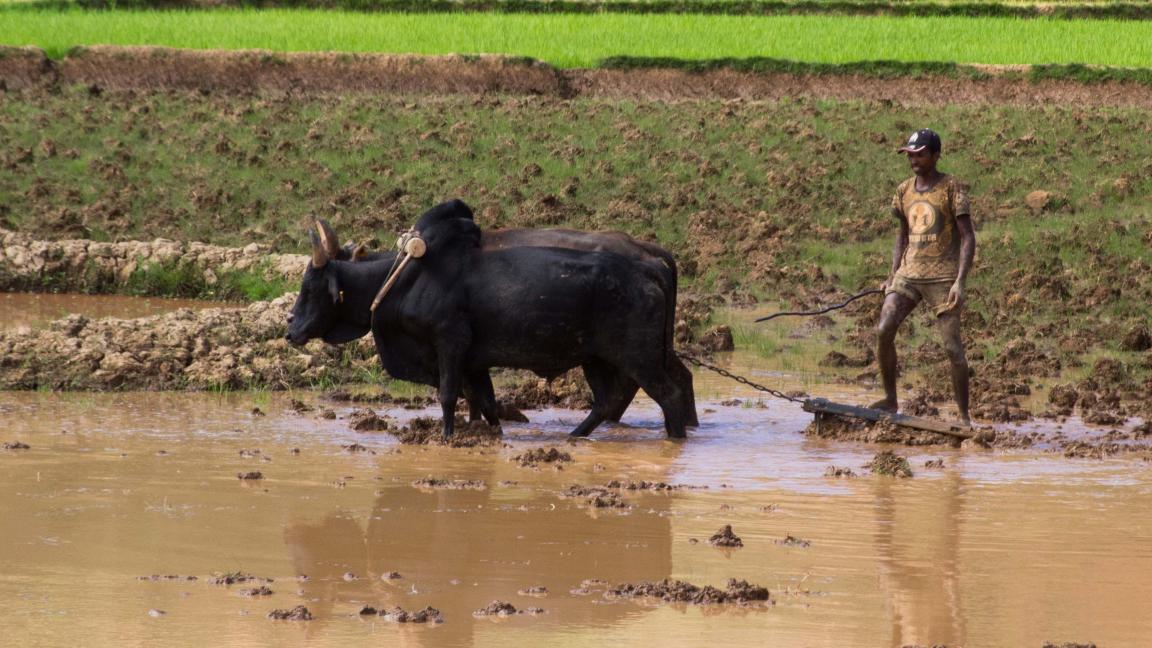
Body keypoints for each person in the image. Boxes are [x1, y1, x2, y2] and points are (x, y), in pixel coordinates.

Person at [873, 129, 976, 426]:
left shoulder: (951, 188)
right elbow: (902, 235)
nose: (914, 160)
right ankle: (890, 399)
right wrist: (892, 276)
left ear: (935, 155)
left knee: (952, 349)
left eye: (920, 154)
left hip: (943, 278)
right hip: (908, 274)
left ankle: (964, 417)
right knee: (884, 329)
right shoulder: (904, 190)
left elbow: (968, 237)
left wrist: (960, 282)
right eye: (910, 155)